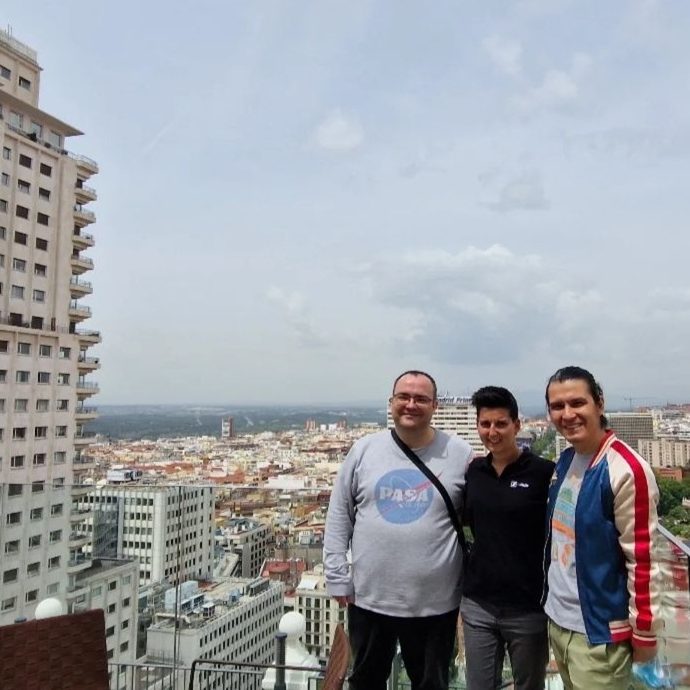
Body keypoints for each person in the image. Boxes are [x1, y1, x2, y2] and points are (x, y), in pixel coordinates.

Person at [323, 370, 474, 690]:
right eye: (403, 397)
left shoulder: (460, 453)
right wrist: (336, 574)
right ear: (391, 402)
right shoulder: (364, 450)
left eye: (421, 399)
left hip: (436, 600)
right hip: (370, 597)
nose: (411, 404)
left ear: (435, 406)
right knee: (366, 681)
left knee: (431, 683)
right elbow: (339, 514)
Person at [544, 366, 661, 690]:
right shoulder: (566, 461)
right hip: (559, 622)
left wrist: (645, 633)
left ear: (599, 402)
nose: (567, 414)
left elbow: (643, 559)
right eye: (557, 406)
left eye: (577, 403)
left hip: (600, 636)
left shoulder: (625, 470)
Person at [460, 386, 554, 690]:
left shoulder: (543, 473)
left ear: (516, 425)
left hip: (528, 605)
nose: (492, 432)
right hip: (478, 602)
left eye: (501, 423)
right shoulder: (474, 472)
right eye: (485, 424)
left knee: (529, 684)